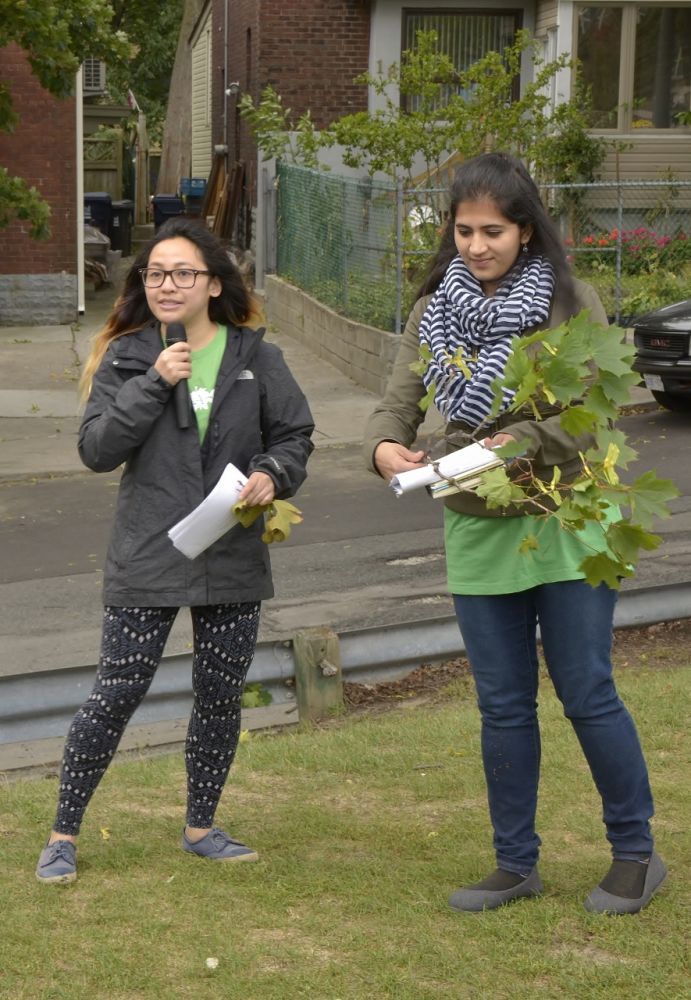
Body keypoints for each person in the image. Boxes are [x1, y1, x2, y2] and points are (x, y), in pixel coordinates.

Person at [363, 152, 666, 915]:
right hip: (475, 521)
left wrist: (522, 443)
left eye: (491, 230)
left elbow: (594, 412)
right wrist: (382, 448)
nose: (474, 245)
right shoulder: (433, 306)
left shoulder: (570, 300)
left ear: (524, 229)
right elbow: (396, 399)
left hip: (565, 519)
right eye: (462, 230)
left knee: (586, 690)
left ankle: (635, 855)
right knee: (501, 704)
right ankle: (514, 864)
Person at [36, 217, 314, 884]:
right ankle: (62, 836)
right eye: (155, 273)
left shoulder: (256, 357)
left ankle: (200, 826)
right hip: (148, 553)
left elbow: (295, 435)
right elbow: (97, 450)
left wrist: (273, 472)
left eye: (182, 273)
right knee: (117, 692)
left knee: (219, 696)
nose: (166, 284)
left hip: (231, 552)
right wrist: (155, 381)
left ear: (212, 284)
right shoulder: (130, 356)